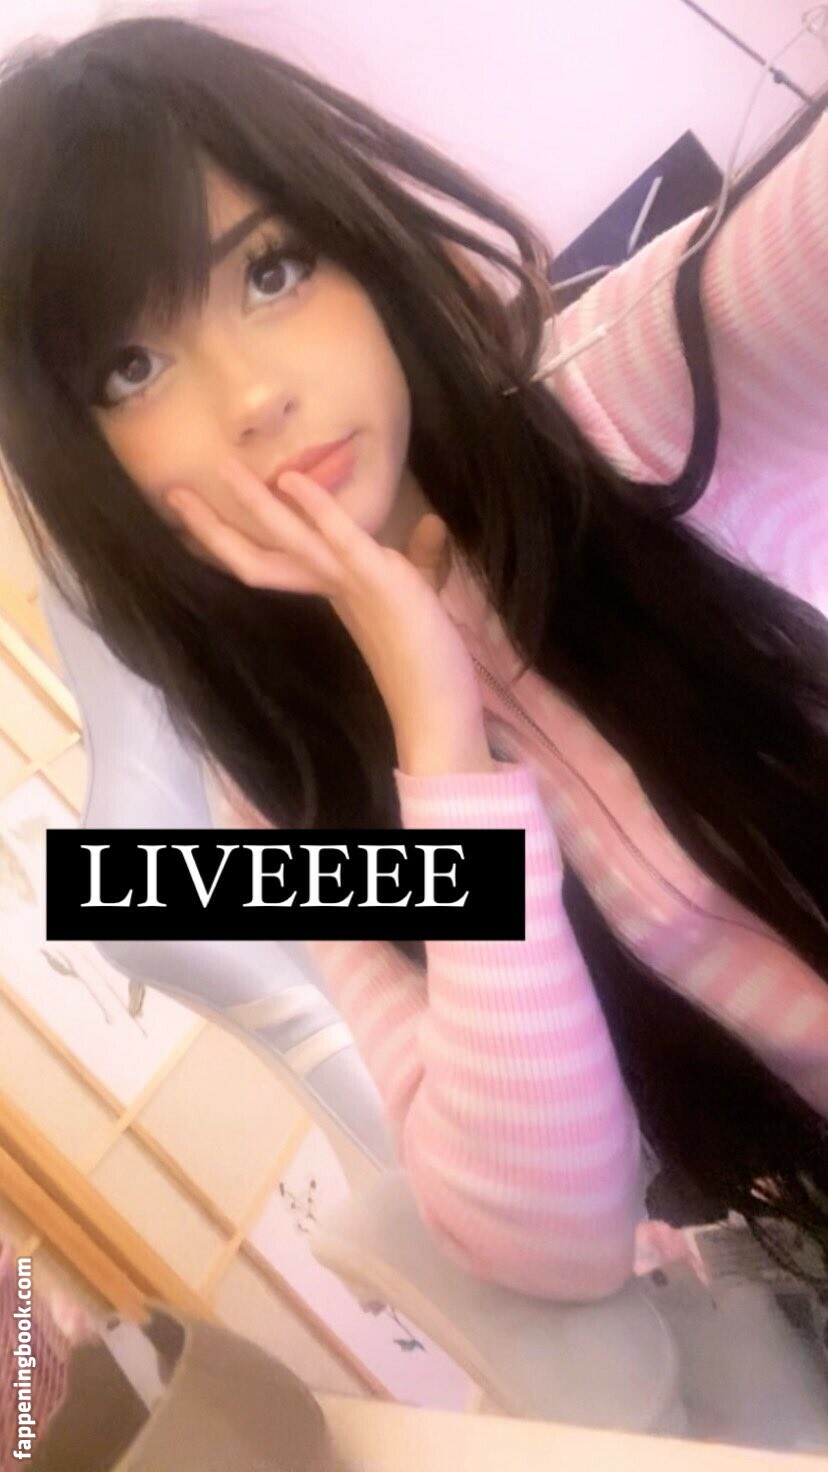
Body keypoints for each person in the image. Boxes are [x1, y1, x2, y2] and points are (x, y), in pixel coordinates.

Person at [0, 14, 825, 1305]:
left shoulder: (629, 406)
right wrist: (435, 736)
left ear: (358, 247)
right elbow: (553, 1240)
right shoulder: (278, 788)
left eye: (272, 269)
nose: (252, 394)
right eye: (134, 366)